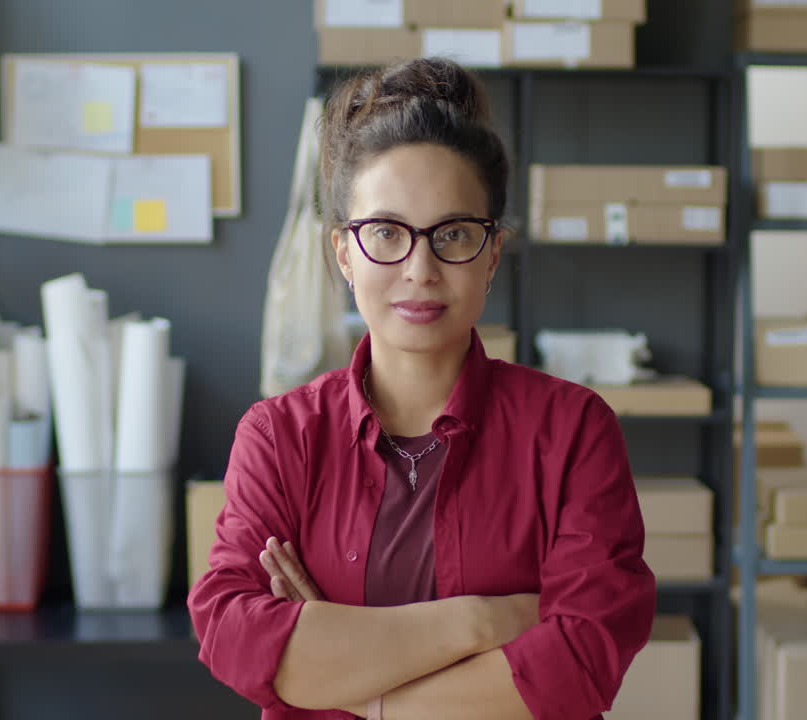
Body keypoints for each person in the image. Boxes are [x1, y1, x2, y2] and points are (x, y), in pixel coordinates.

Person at [188, 57, 656, 720]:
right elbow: (234, 637)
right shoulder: (280, 436)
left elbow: (581, 662)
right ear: (344, 253)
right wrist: (479, 624)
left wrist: (354, 684)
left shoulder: (572, 431)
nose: (420, 269)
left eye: (454, 234)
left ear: (493, 253)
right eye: (385, 233)